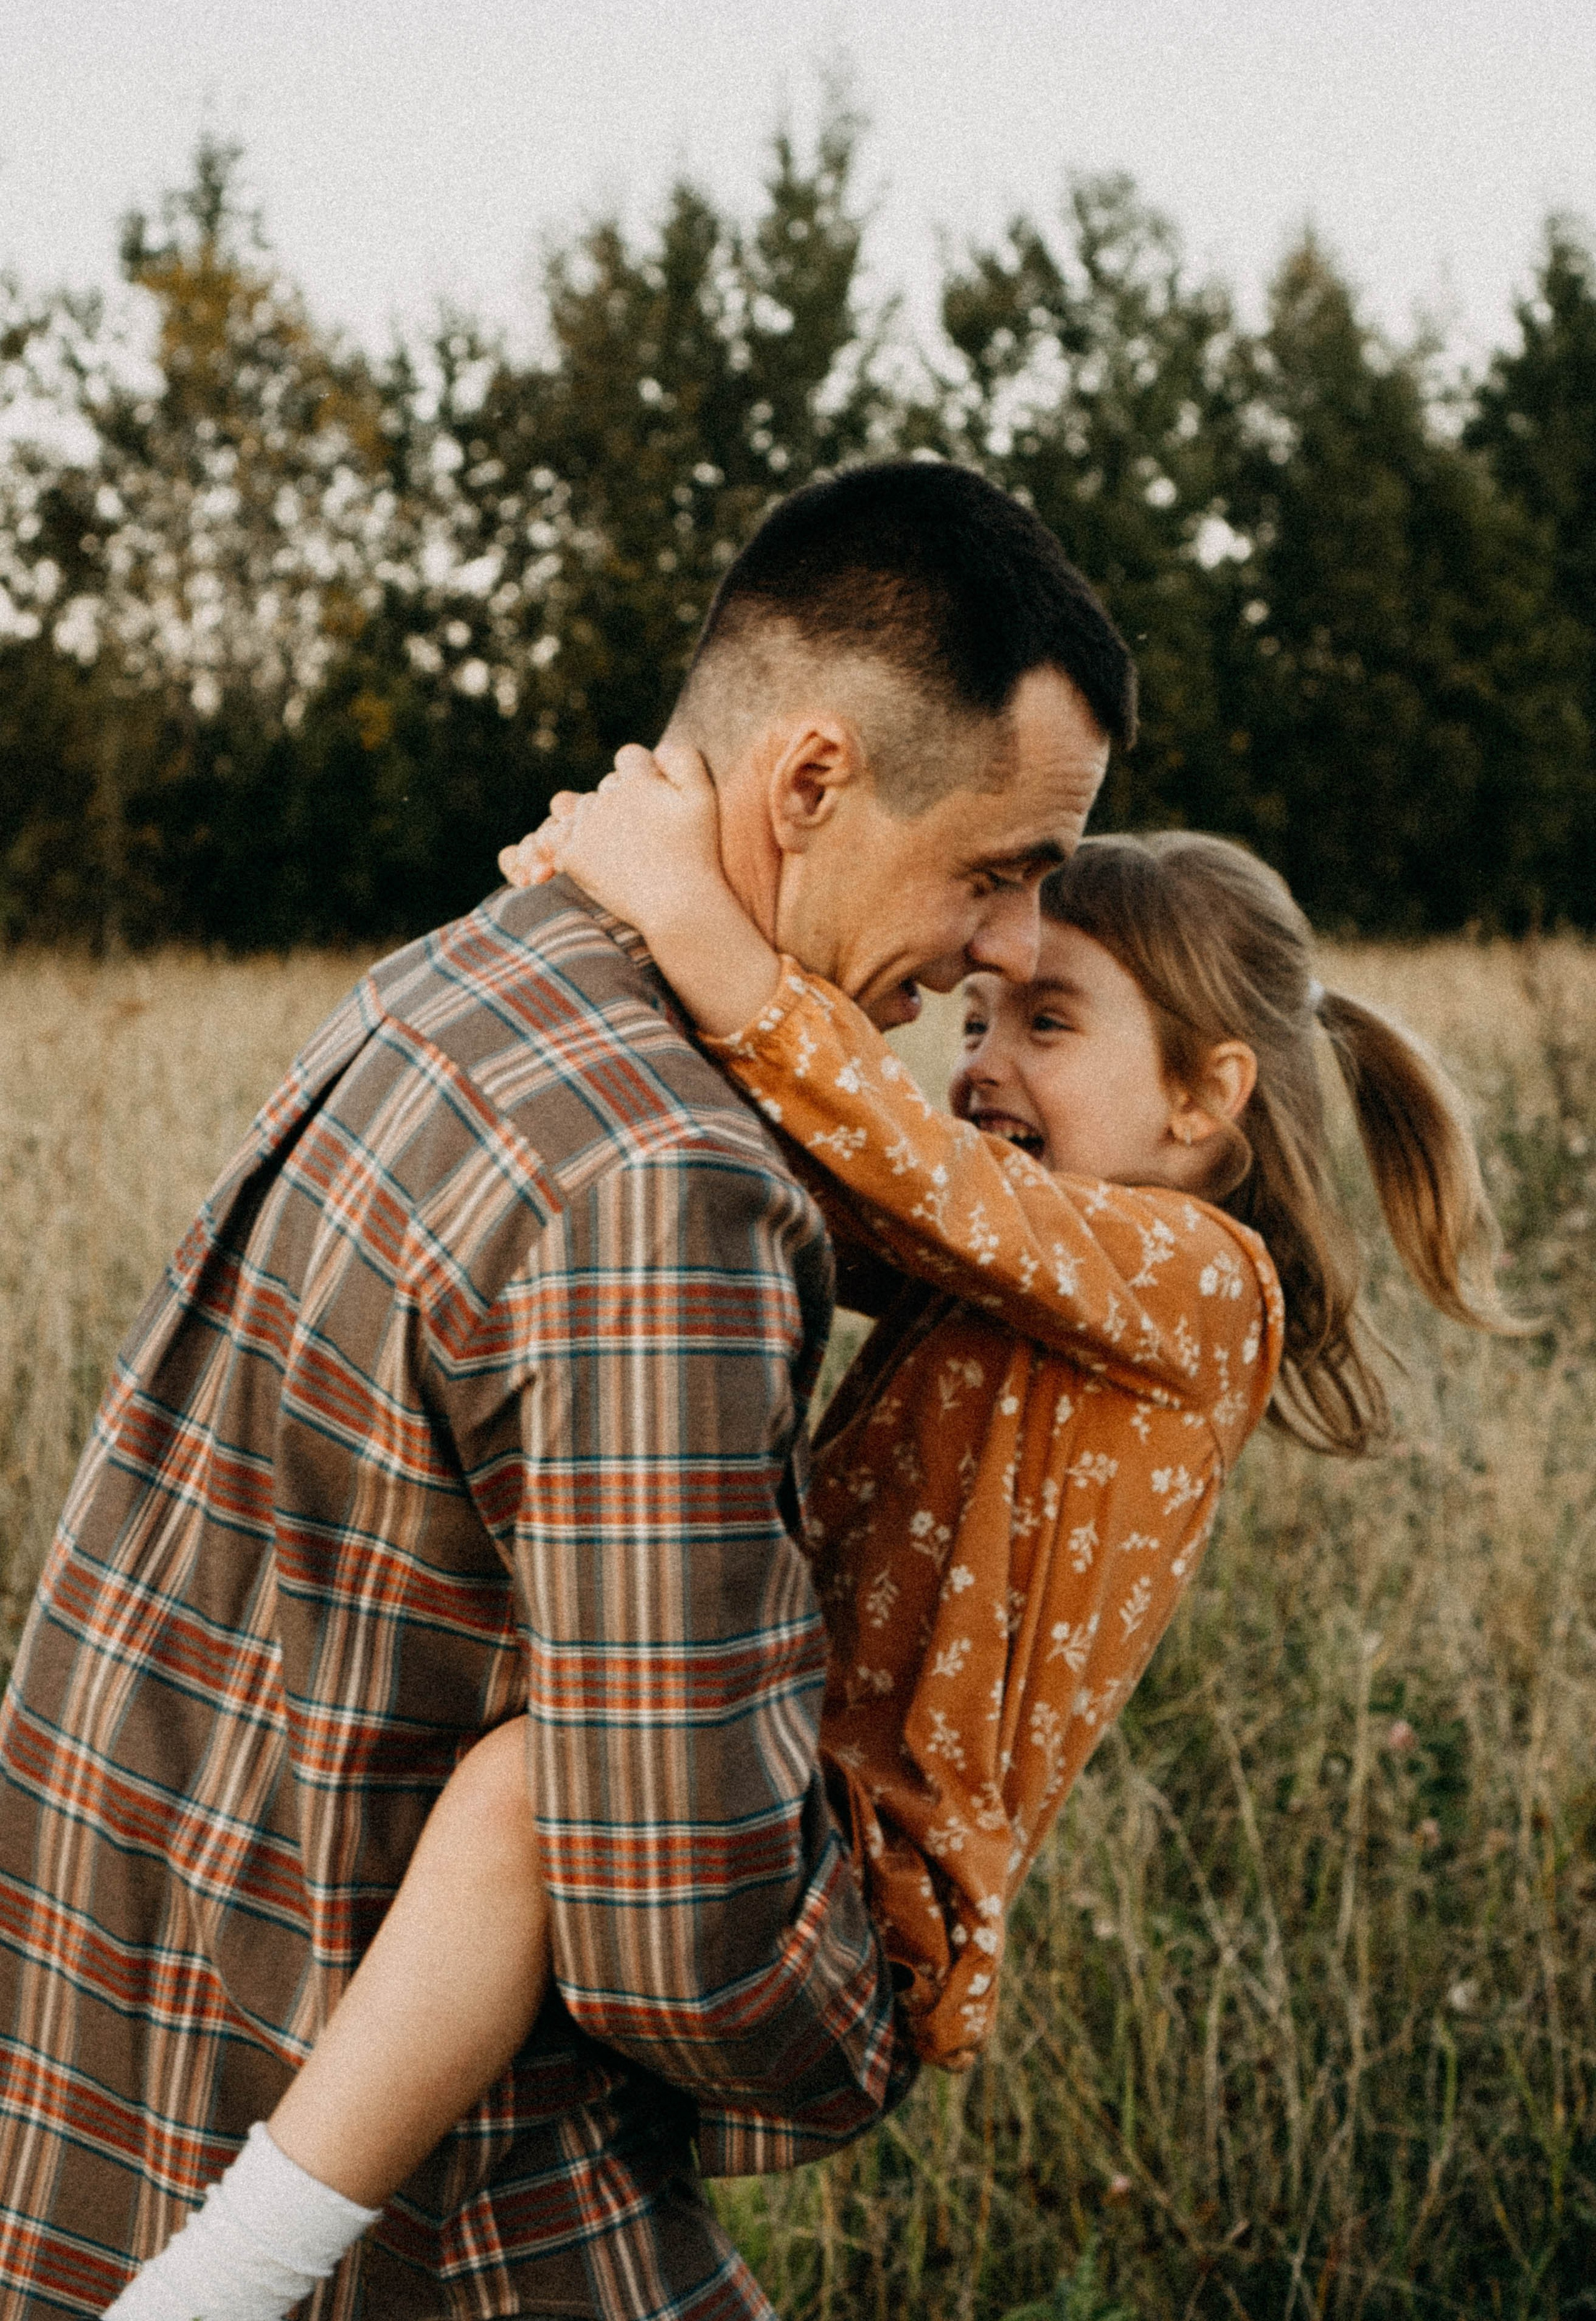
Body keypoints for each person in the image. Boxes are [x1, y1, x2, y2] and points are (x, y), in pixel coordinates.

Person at [113, 762, 1520, 2312]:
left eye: (1045, 1025)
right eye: (977, 1020)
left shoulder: (1198, 1284)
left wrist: (679, 902)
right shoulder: (1012, 1262)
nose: (979, 1065)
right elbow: (782, 1165)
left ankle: (218, 2287)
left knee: (526, 1787)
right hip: (773, 1774)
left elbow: (894, 1162)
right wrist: (607, 924)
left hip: (865, 1888)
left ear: (1204, 1097)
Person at [0, 459, 1132, 2321]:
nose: (1010, 946)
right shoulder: (665, 1182)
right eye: (1000, 870)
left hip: (141, 2084)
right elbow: (688, 1939)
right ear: (814, 784)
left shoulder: (466, 977)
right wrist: (891, 2007)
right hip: (432, 2221)